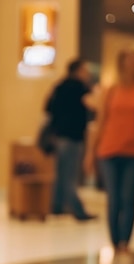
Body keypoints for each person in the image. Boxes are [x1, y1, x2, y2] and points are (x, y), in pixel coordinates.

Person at [86, 48, 134, 254]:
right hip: (109, 150)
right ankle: (114, 241)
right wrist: (90, 153)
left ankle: (125, 242)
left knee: (129, 197)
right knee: (114, 197)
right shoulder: (111, 90)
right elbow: (100, 122)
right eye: (130, 59)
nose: (133, 63)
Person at [45, 58, 96, 221]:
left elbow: (48, 108)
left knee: (61, 174)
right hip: (73, 136)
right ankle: (78, 210)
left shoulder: (59, 86)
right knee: (70, 176)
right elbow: (93, 105)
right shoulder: (80, 88)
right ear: (78, 70)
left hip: (60, 136)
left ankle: (57, 207)